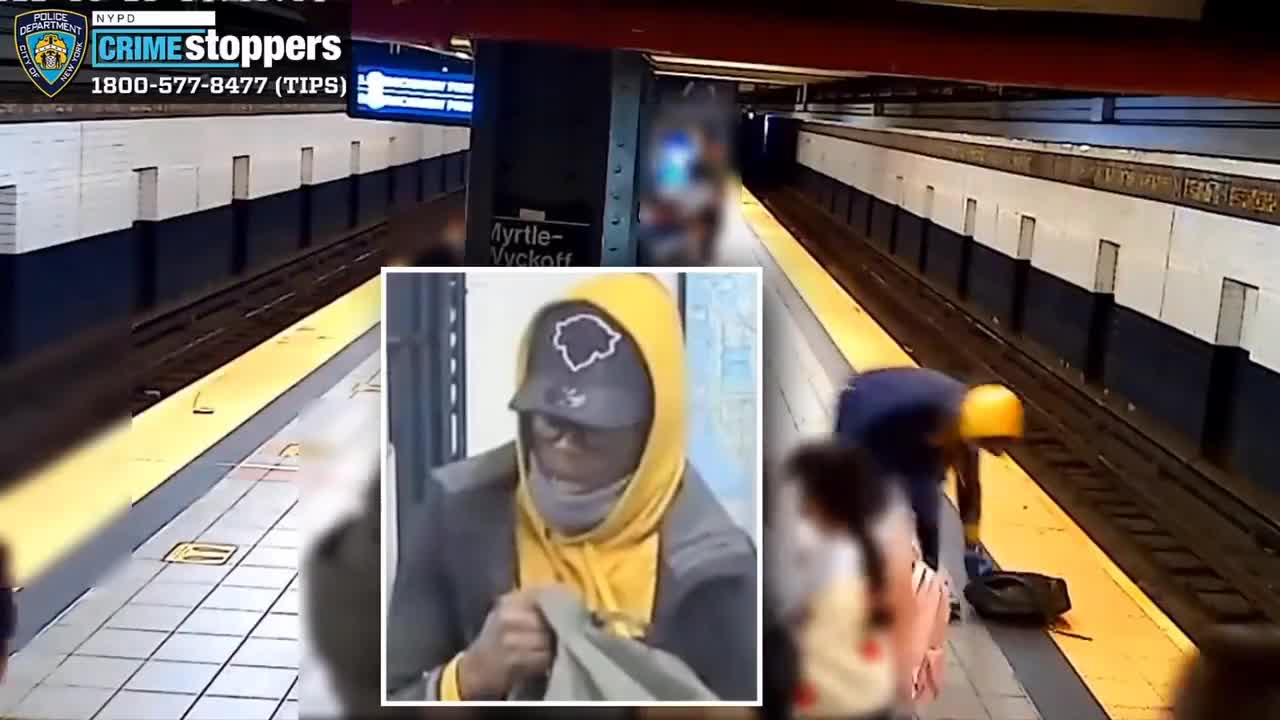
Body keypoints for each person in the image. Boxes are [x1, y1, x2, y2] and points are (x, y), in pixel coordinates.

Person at [309, 273, 757, 708]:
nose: (562, 446)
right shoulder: (455, 516)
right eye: (548, 420)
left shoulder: (719, 571)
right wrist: (468, 678)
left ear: (652, 432)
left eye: (591, 430)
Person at [769, 441, 917, 720]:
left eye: (806, 494)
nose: (801, 504)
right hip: (870, 694)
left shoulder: (812, 552)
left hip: (828, 701)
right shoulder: (870, 548)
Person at [834, 368, 1024, 584]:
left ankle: (928, 580)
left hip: (917, 434)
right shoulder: (918, 408)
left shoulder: (969, 418)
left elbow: (969, 486)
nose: (999, 450)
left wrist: (972, 547)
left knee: (927, 505)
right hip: (863, 411)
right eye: (995, 443)